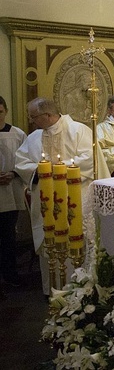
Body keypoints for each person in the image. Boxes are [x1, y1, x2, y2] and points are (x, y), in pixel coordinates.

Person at [14, 97, 107, 295]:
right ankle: (52, 289)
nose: (31, 121)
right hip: (46, 198)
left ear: (47, 115)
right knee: (50, 241)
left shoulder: (79, 131)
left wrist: (57, 169)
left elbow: (91, 159)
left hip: (75, 196)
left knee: (78, 239)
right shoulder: (34, 137)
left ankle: (82, 288)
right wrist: (40, 171)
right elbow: (20, 161)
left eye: (34, 117)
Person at [0, 96, 26, 288]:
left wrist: (13, 173)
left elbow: (26, 160)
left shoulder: (17, 134)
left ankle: (11, 274)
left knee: (8, 234)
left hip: (10, 188)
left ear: (6, 111)